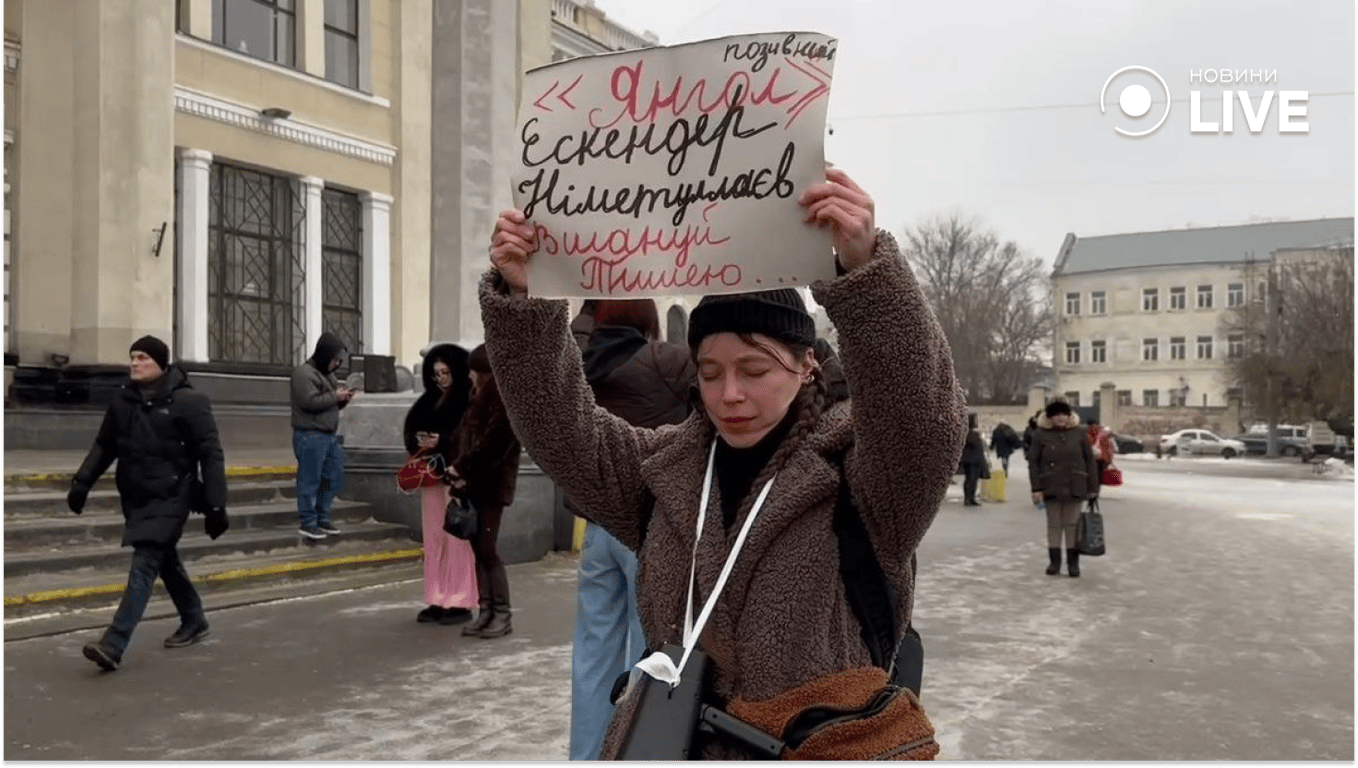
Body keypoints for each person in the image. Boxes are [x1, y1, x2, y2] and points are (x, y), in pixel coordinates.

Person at [484, 167, 965, 760]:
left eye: (755, 371)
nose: (729, 395)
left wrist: (864, 272)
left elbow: (924, 421)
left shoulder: (863, 478)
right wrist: (521, 302)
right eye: (710, 374)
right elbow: (561, 430)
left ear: (806, 365)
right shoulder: (666, 472)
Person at [569, 298, 696, 761]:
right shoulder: (667, 360)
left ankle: (585, 755)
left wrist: (590, 303)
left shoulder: (581, 363)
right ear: (649, 320)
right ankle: (635, 751)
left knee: (592, 653)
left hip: (597, 524)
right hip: (652, 524)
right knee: (651, 655)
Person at [68, 335, 229, 671]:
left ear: (160, 362)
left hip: (173, 494)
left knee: (145, 562)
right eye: (132, 357)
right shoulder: (123, 400)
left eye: (142, 358)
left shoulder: (189, 402)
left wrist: (216, 504)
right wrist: (82, 483)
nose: (135, 364)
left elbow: (210, 455)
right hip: (136, 495)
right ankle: (194, 619)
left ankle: (114, 642)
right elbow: (104, 446)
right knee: (164, 560)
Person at [402, 343, 478, 625]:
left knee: (456, 539)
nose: (440, 378)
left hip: (456, 478)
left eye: (445, 372)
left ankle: (459, 600)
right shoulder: (427, 401)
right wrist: (417, 441)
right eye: (436, 374)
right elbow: (410, 431)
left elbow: (472, 441)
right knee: (433, 539)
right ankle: (435, 597)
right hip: (430, 478)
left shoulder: (468, 402)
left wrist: (442, 442)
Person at [451, 344, 523, 639]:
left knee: (488, 549)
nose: (469, 375)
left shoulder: (501, 398)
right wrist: (456, 468)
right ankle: (486, 611)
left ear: (483, 371)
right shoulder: (478, 397)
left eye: (474, 370)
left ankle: (501, 614)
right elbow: (464, 436)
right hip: (472, 483)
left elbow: (493, 443)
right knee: (478, 549)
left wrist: (462, 467)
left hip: (491, 484)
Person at [290, 332, 355, 540]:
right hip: (310, 434)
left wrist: (342, 399)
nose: (337, 365)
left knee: (333, 477)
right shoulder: (303, 373)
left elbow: (328, 402)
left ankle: (322, 516)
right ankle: (308, 521)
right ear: (325, 355)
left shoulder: (328, 375)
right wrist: (334, 396)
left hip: (329, 435)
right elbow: (309, 402)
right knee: (310, 480)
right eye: (335, 360)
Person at [1028, 400, 1098, 577]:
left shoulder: (1080, 433)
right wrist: (1036, 488)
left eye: (1063, 414)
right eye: (1056, 415)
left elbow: (1090, 461)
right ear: (1049, 418)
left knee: (1072, 525)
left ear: (1069, 416)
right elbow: (1033, 463)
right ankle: (1055, 562)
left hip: (1076, 485)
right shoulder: (1040, 434)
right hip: (1050, 485)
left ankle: (1073, 564)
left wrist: (1093, 488)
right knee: (1054, 525)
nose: (1060, 418)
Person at [958, 415, 988, 506]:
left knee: (970, 479)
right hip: (973, 461)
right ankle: (969, 498)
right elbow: (977, 446)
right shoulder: (972, 434)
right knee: (971, 480)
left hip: (969, 460)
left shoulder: (965, 433)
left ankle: (969, 498)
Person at [1085, 416, 1115, 486]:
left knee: (1092, 475)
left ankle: (1093, 489)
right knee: (1098, 476)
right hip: (1102, 458)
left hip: (1094, 458)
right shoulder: (1104, 432)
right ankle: (1095, 490)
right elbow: (1110, 447)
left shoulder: (1086, 432)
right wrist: (1109, 459)